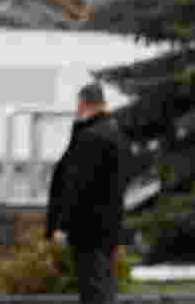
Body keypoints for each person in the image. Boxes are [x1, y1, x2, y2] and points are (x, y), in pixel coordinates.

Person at [46, 83, 130, 304]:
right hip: (109, 227)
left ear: (83, 103)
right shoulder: (115, 134)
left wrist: (62, 225)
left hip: (87, 229)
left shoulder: (90, 138)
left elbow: (77, 186)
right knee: (104, 286)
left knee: (92, 290)